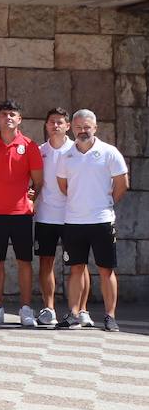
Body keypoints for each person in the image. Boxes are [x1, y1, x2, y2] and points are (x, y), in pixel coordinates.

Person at [55, 109, 128, 332]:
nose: (83, 131)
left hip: (102, 221)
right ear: (72, 128)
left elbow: (122, 183)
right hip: (74, 222)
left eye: (87, 127)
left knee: (106, 270)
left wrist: (105, 204)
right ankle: (74, 313)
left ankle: (110, 316)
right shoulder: (66, 156)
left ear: (95, 128)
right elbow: (63, 186)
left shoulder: (109, 152)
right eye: (78, 127)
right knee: (76, 269)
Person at [0, 99, 42, 327]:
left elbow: (38, 181)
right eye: (4, 114)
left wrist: (28, 198)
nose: (8, 118)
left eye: (13, 114)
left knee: (24, 261)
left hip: (22, 214)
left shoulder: (30, 146)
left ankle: (25, 308)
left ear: (19, 119)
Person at [35, 108, 81, 327]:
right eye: (51, 121)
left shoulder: (77, 149)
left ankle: (81, 310)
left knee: (78, 264)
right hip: (45, 215)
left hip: (73, 216)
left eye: (60, 122)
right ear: (46, 125)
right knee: (46, 262)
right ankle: (49, 308)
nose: (55, 125)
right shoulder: (39, 151)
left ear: (67, 126)